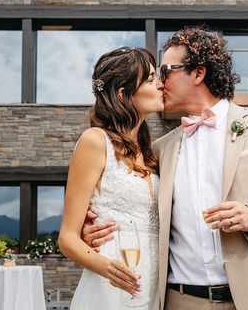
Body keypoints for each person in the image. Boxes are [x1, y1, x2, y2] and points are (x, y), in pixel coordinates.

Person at [83, 26, 248, 309]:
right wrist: (93, 235)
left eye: (166, 72)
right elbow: (138, 210)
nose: (160, 83)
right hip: (181, 300)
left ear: (198, 73)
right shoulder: (159, 149)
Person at [58, 47, 164, 310]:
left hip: (155, 284)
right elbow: (67, 238)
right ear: (122, 94)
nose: (160, 84)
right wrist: (110, 269)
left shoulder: (154, 153)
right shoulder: (95, 141)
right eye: (151, 79)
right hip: (112, 285)